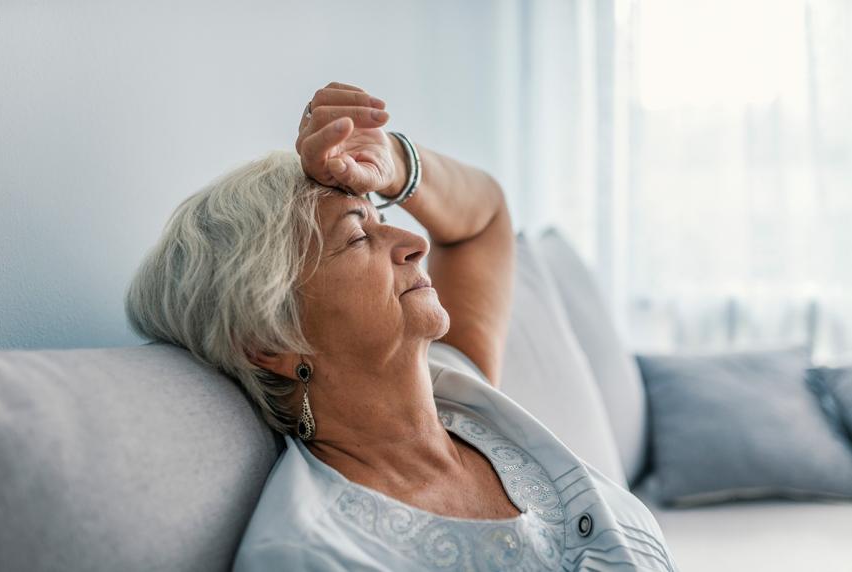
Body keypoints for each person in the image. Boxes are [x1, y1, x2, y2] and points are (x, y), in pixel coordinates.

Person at [125, 81, 679, 571]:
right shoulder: (316, 554)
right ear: (270, 340)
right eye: (358, 235)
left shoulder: (462, 390)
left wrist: (391, 162)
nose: (417, 244)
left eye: (384, 219)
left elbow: (482, 218)